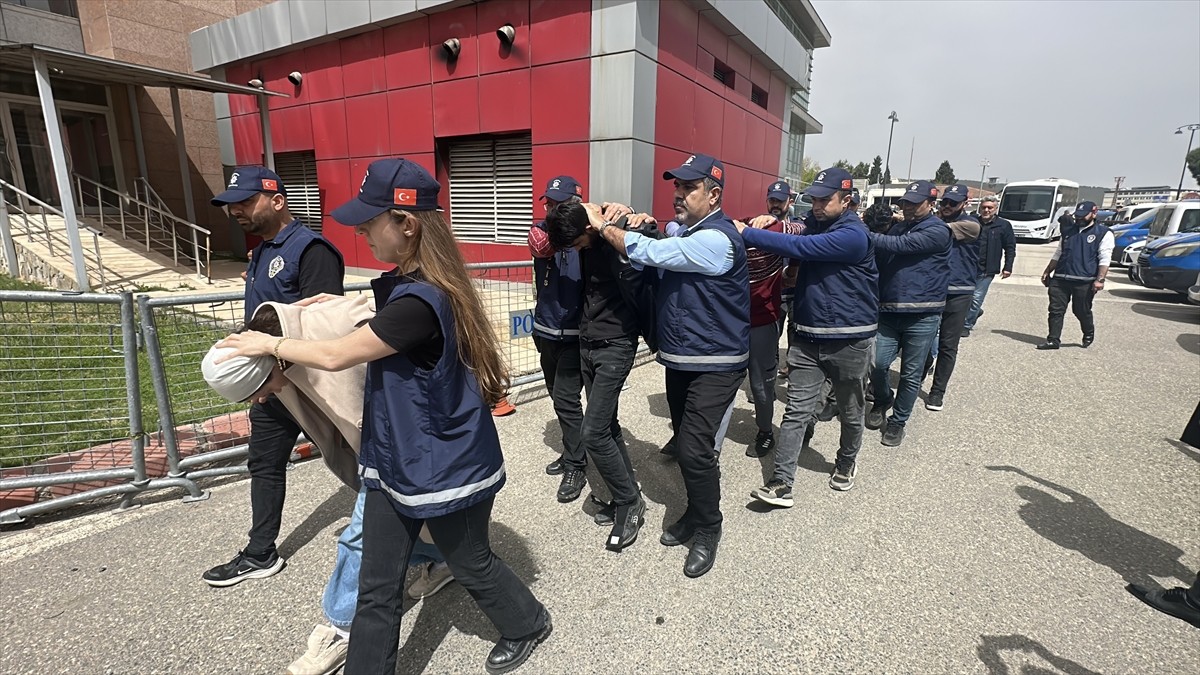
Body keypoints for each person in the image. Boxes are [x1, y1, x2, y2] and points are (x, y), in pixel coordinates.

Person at [217, 158, 550, 674]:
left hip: (443, 463)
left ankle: (528, 622)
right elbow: (372, 325)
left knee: (469, 561)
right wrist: (331, 304)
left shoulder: (422, 299)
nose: (361, 232)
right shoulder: (410, 284)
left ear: (407, 224)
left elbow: (336, 355)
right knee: (377, 583)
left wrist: (271, 341)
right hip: (396, 456)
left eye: (370, 223)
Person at [201, 298, 455, 675]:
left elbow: (399, 322)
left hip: (405, 434)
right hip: (378, 441)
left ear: (269, 361)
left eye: (256, 390)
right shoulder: (275, 353)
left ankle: (342, 629)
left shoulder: (331, 324)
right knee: (399, 517)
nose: (258, 401)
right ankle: (441, 558)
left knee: (358, 535)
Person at [593, 152, 749, 578]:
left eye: (689, 187)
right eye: (676, 186)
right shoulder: (689, 231)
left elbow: (651, 251)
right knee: (685, 444)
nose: (678, 194)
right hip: (683, 358)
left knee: (696, 449)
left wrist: (604, 226)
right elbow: (650, 254)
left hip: (717, 363)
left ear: (714, 194)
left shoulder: (716, 239)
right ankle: (696, 514)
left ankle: (709, 528)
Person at [203, 166, 344, 588]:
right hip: (272, 387)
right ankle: (260, 552)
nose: (237, 212)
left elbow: (325, 325)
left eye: (246, 202)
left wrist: (274, 370)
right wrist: (259, 380)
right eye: (232, 205)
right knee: (264, 464)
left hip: (311, 384)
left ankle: (422, 538)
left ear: (277, 200)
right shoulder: (263, 250)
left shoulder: (311, 250)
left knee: (363, 455)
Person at [737, 168, 878, 504]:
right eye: (813, 198)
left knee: (850, 408)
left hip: (849, 339)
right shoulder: (815, 222)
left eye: (824, 199)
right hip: (807, 336)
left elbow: (797, 243)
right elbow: (793, 228)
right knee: (797, 411)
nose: (815, 204)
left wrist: (747, 233)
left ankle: (846, 461)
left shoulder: (853, 235)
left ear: (846, 201)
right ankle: (781, 482)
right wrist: (765, 220)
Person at [543, 200, 648, 550]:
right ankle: (626, 496)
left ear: (589, 229)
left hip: (616, 344)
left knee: (593, 431)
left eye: (575, 243)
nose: (573, 251)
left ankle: (630, 503)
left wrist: (625, 213)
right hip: (587, 343)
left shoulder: (617, 235)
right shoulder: (583, 233)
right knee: (609, 427)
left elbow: (646, 237)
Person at [866, 180, 951, 447]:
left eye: (915, 203)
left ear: (931, 204)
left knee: (910, 373)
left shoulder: (938, 231)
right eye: (906, 203)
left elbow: (900, 246)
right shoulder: (898, 227)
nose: (909, 208)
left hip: (922, 315)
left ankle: (898, 421)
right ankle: (882, 400)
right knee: (877, 364)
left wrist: (859, 232)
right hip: (889, 311)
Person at [527, 176, 586, 500]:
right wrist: (561, 224)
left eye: (558, 204)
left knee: (566, 399)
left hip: (575, 333)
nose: (549, 209)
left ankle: (576, 463)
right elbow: (539, 244)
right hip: (546, 329)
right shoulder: (542, 229)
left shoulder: (589, 234)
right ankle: (573, 450)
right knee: (558, 397)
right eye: (548, 203)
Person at [741, 181, 804, 458]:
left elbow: (805, 228)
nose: (775, 205)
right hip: (735, 319)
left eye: (781, 200)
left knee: (761, 382)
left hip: (765, 315)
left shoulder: (784, 227)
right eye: (772, 200)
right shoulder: (750, 224)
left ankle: (765, 431)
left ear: (789, 201)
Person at [924, 185, 981, 412]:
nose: (947, 206)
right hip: (933, 289)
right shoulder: (934, 222)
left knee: (948, 345)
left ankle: (938, 391)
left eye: (953, 203)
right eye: (945, 202)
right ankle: (922, 368)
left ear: (964, 204)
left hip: (959, 291)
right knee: (923, 340)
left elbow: (938, 232)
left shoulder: (970, 225)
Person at [1036, 201, 1113, 350]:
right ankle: (1053, 340)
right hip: (1061, 277)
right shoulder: (1068, 231)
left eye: (1083, 216)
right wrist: (1047, 271)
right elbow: (1059, 253)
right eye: (1077, 216)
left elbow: (1105, 258)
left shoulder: (1103, 233)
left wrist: (1100, 279)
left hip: (1084, 280)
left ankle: (1088, 332)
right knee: (1055, 310)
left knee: (1081, 310)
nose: (1079, 219)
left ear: (1094, 213)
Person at [962, 195, 1015, 336]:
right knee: (964, 298)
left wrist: (1008, 267)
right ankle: (976, 311)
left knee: (976, 298)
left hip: (986, 270)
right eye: (984, 207)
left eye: (989, 208)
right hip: (968, 268)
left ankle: (966, 325)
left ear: (995, 209)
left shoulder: (1003, 225)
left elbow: (1010, 247)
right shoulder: (972, 222)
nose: (986, 210)